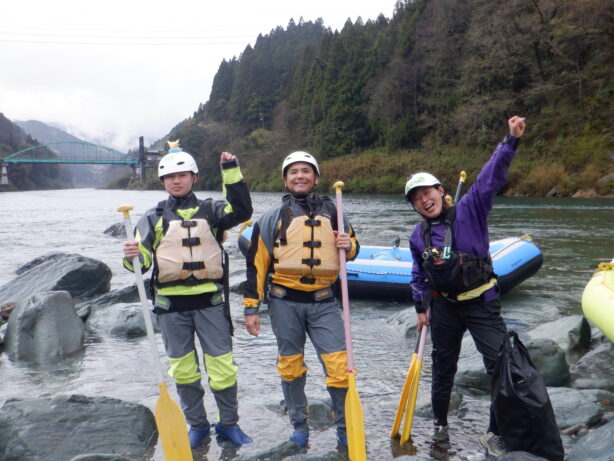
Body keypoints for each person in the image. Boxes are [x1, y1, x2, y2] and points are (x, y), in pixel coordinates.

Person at [405, 116, 526, 457]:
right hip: (444, 307)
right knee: (443, 367)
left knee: (499, 365)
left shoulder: (470, 209)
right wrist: (420, 307)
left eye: (427, 192)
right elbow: (418, 273)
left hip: (482, 303)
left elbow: (490, 178)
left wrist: (510, 141)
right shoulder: (419, 234)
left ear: (441, 191)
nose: (423, 200)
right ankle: (440, 426)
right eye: (416, 198)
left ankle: (495, 430)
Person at [122, 141, 253, 449]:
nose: (176, 181)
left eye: (182, 175)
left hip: (210, 304)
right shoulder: (152, 218)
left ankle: (229, 425)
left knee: (222, 368)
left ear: (194, 177)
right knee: (183, 370)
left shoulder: (213, 210)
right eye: (169, 177)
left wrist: (231, 171)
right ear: (163, 182)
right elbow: (138, 264)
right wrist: (130, 255)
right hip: (171, 308)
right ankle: (197, 425)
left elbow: (243, 210)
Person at [243, 151, 360, 449]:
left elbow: (352, 247)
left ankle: (345, 428)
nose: (300, 176)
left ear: (315, 178)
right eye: (293, 171)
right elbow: (257, 264)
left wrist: (351, 244)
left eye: (306, 171)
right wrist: (251, 308)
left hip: (324, 303)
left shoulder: (335, 210)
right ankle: (299, 426)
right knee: (291, 366)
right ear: (285, 179)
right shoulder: (273, 216)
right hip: (284, 302)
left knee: (339, 365)